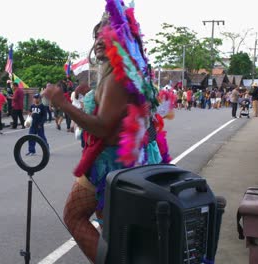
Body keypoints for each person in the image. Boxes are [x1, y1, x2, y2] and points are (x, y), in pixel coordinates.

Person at [42, 12, 157, 261]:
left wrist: (63, 103)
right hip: (124, 161)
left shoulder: (118, 76)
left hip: (110, 163)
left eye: (108, 34)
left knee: (74, 216)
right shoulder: (123, 71)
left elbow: (103, 127)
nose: (100, 40)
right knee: (114, 230)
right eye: (97, 35)